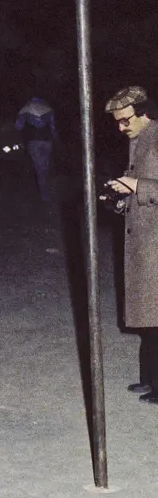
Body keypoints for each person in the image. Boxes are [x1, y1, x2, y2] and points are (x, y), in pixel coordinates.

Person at [103, 87, 158, 404]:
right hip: (143, 243)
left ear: (144, 113)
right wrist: (121, 197)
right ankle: (150, 379)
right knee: (149, 318)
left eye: (125, 120)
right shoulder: (137, 141)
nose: (121, 128)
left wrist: (136, 185)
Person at [16, 97, 57, 204]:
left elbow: (18, 126)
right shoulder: (47, 108)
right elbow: (53, 128)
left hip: (34, 141)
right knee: (45, 166)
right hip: (47, 141)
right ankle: (46, 191)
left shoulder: (26, 108)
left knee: (39, 167)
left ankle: (44, 195)